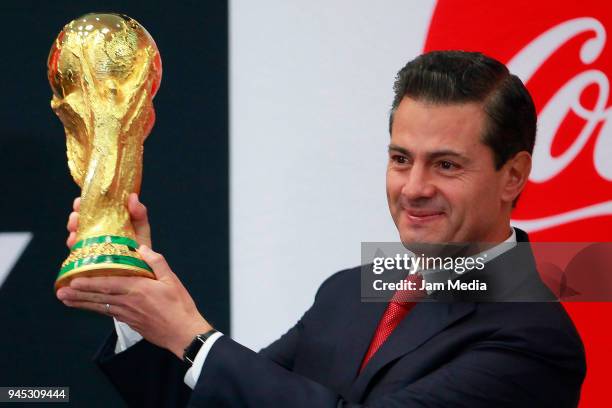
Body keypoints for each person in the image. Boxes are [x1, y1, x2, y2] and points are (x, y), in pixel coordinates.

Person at [56, 50, 586, 407]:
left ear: (512, 175)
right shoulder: (347, 293)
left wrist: (192, 337)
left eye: (446, 165)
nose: (414, 187)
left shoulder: (534, 336)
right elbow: (221, 397)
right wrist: (138, 305)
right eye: (402, 159)